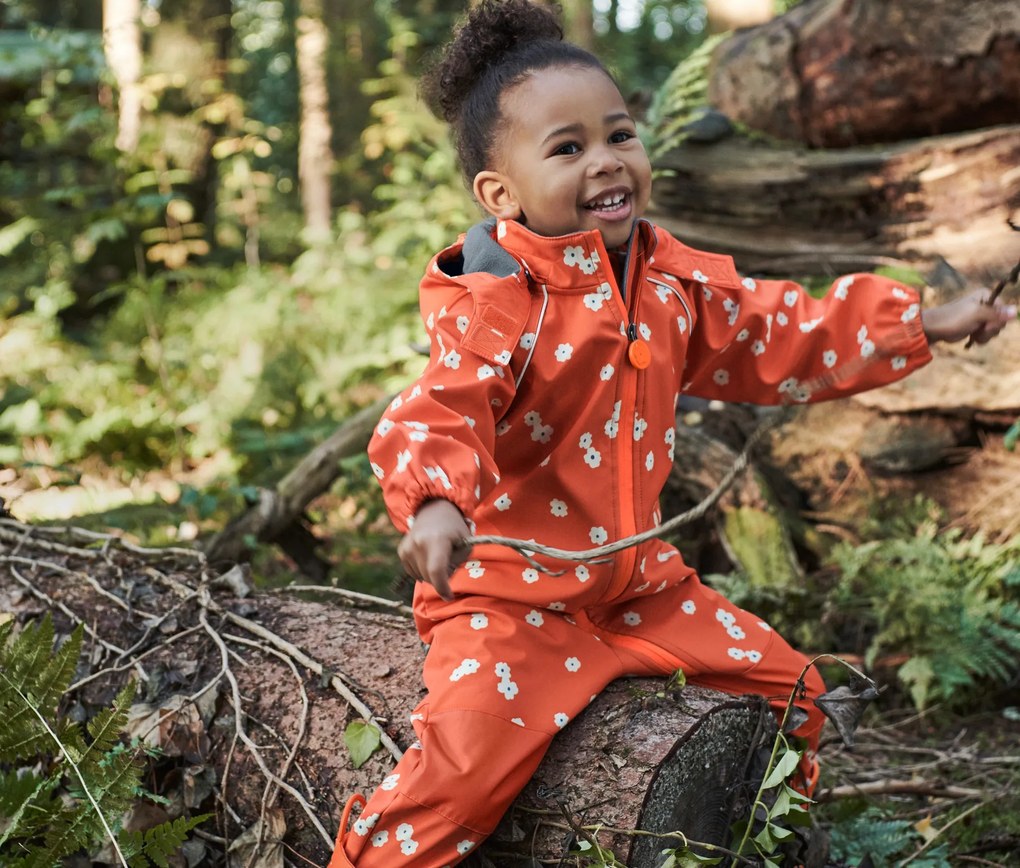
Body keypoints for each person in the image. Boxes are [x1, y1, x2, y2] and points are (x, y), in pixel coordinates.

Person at [328, 1, 1016, 865]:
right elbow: (440, 403)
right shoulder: (499, 305)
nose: (607, 161)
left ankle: (767, 848)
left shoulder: (669, 283)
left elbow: (786, 330)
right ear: (500, 194)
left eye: (620, 135)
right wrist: (432, 503)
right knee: (456, 780)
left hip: (643, 590)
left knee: (794, 697)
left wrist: (928, 321)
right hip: (511, 602)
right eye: (568, 148)